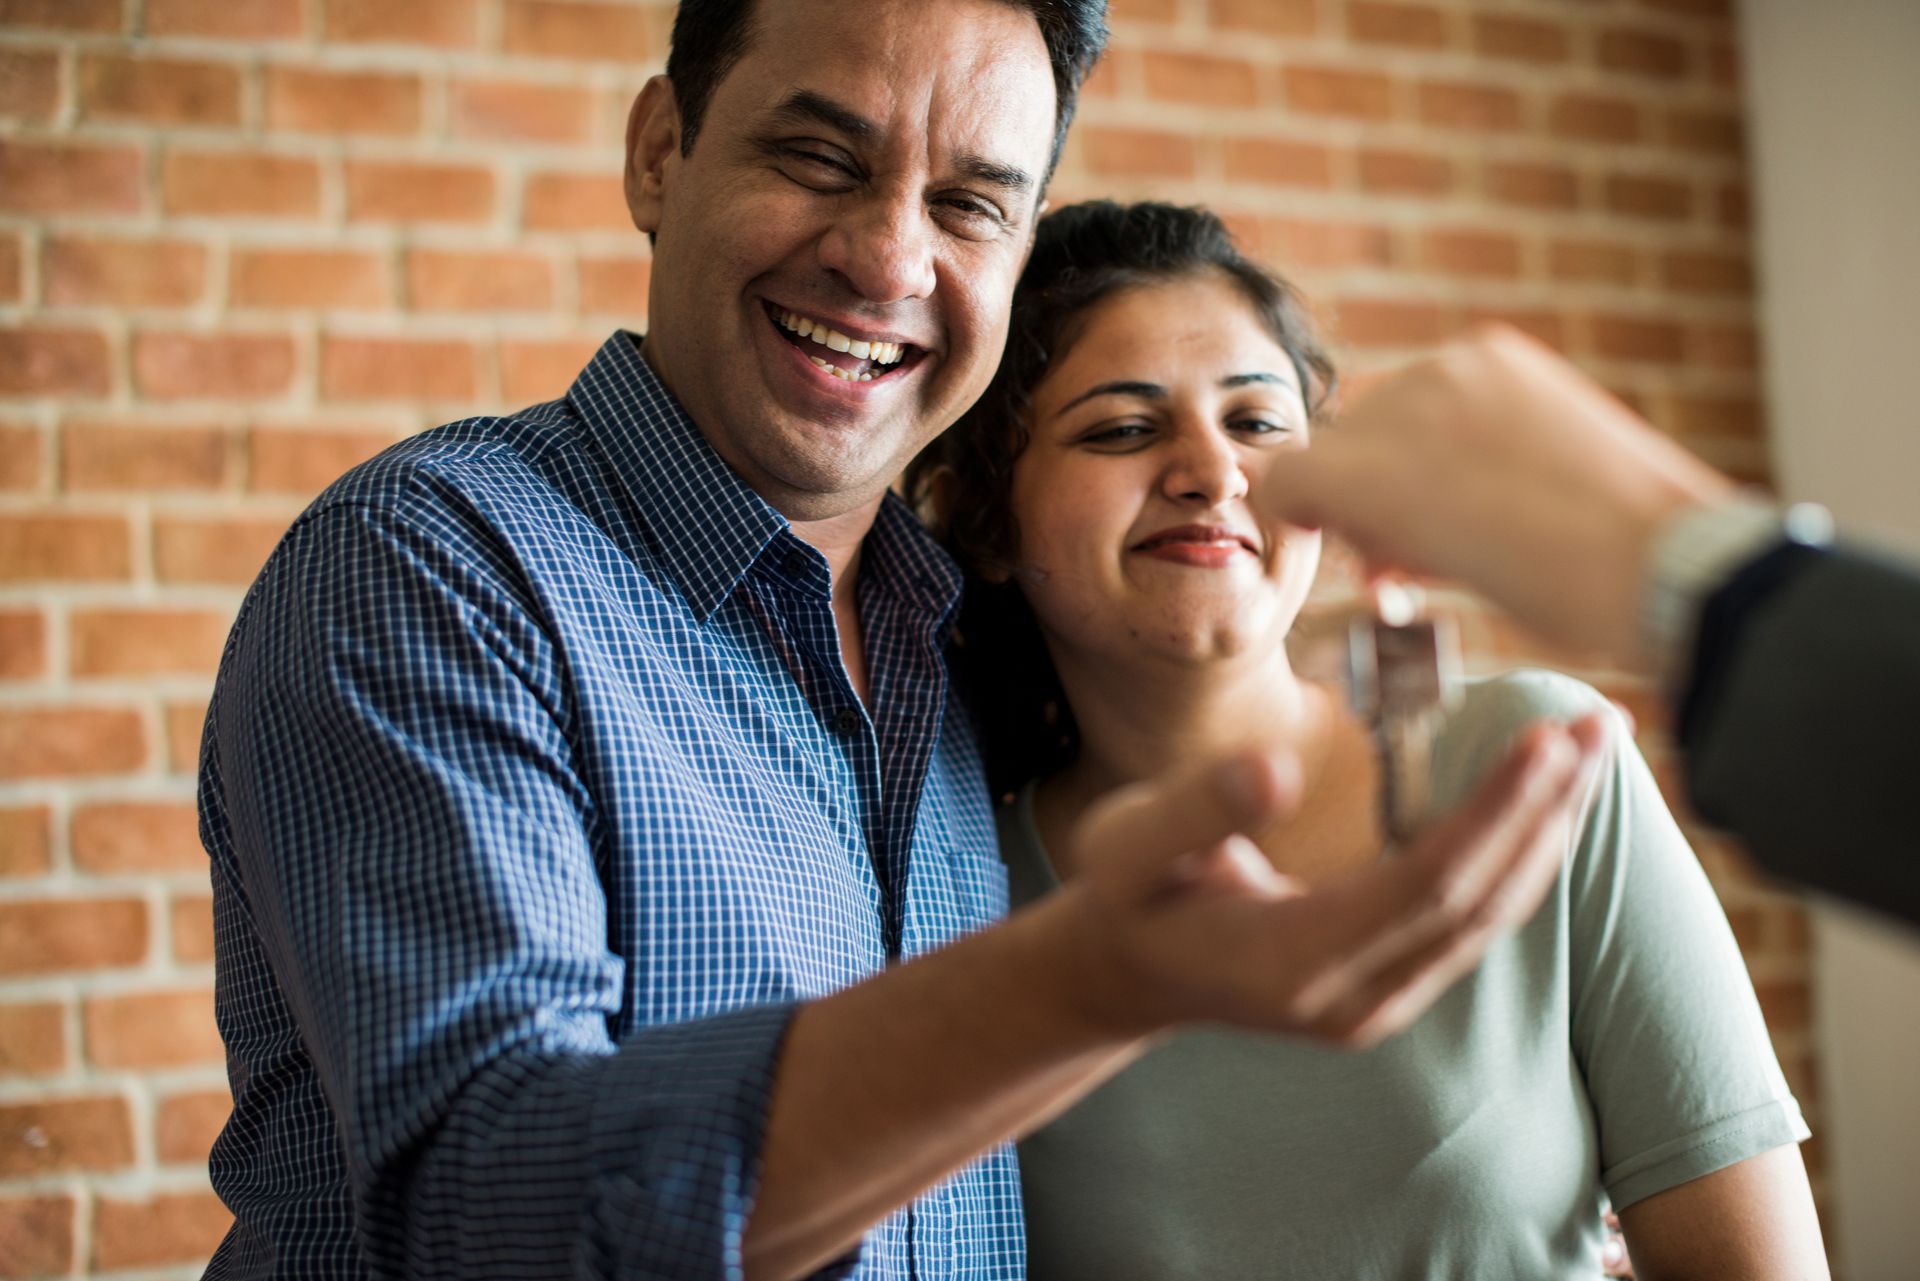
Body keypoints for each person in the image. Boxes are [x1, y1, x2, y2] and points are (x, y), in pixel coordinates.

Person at [196, 2, 1609, 1276]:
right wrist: (1088, 982)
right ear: (657, 152)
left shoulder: (967, 651)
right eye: (820, 159)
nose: (886, 257)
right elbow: (488, 1220)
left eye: (971, 205)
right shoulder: (436, 566)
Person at [910, 200, 1829, 1278]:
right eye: (1122, 428)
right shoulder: (957, 890)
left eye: (1257, 422)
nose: (1215, 471)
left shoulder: (1536, 760)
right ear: (986, 519)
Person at [1257, 327, 1920, 929]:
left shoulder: (1538, 739)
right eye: (1144, 426)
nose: (1213, 474)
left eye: (1253, 421)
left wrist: (1685, 564)